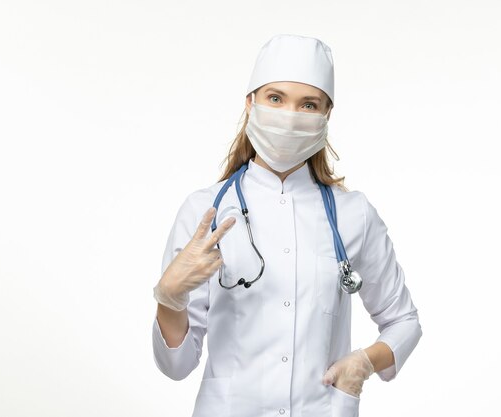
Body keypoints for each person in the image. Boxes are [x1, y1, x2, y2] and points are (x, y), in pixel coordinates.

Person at [151, 34, 422, 417]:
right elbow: (175, 366)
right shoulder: (205, 210)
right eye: (275, 98)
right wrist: (170, 298)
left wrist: (363, 363)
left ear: (326, 115)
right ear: (251, 103)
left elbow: (404, 321)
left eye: (308, 104)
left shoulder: (353, 214)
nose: (290, 115)